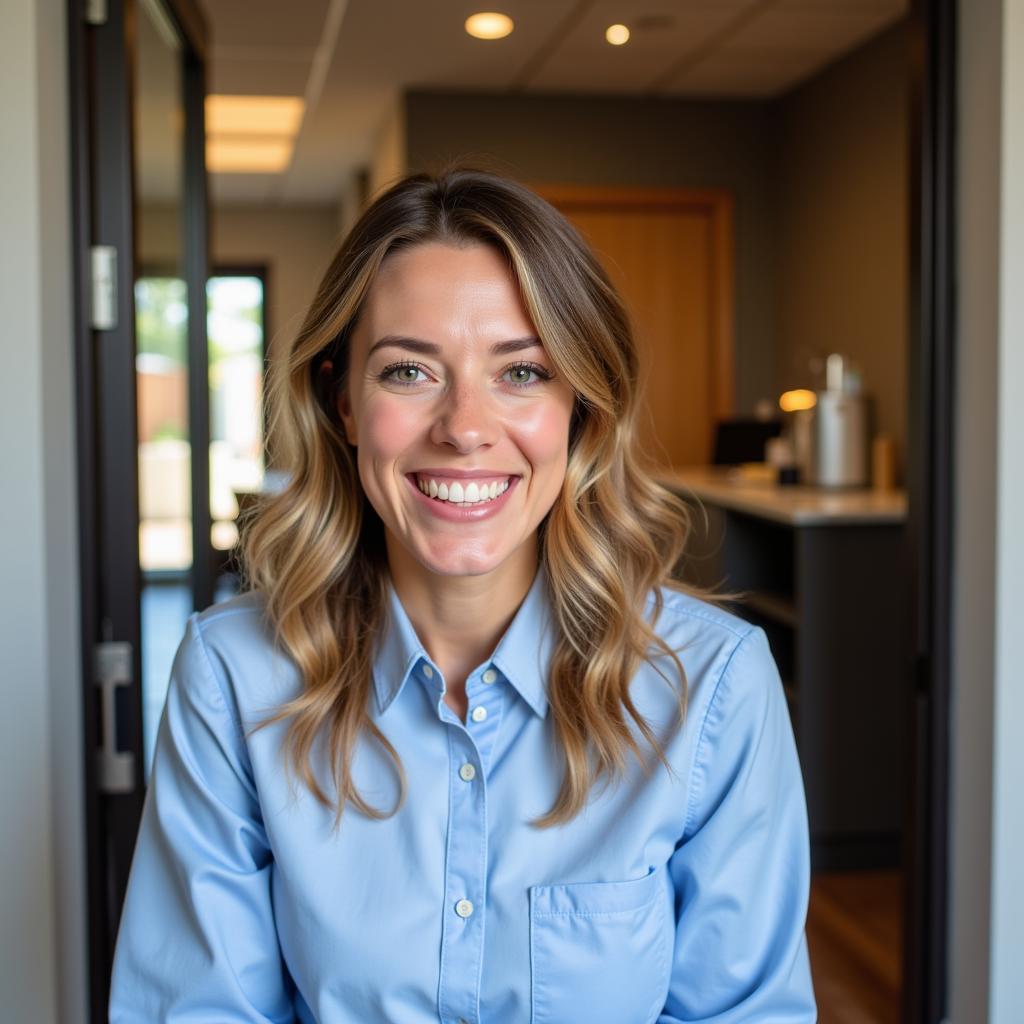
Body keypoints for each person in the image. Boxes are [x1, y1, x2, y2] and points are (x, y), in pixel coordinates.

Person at [109, 167, 817, 1022]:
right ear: (342, 402)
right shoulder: (233, 678)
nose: (466, 427)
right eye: (409, 372)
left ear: (579, 409)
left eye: (521, 374)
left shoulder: (711, 686)